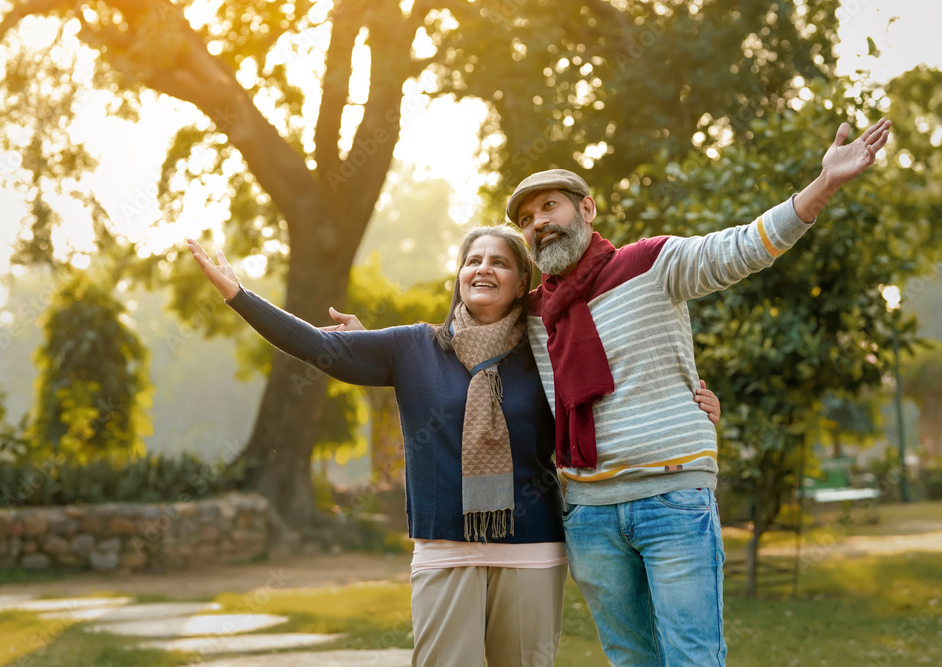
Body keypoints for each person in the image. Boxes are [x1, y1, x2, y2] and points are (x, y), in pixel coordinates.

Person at [500, 118, 892, 666]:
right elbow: (462, 336)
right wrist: (360, 343)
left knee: (693, 658)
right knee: (630, 659)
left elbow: (744, 247)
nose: (538, 223)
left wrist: (822, 185)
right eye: (526, 219)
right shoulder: (535, 315)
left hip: (672, 498)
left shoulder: (652, 264)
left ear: (586, 209)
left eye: (550, 208)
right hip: (588, 514)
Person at [188, 226, 569, 666]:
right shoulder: (413, 347)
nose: (483, 269)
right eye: (473, 260)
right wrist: (239, 295)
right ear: (460, 275)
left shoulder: (546, 352)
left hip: (533, 544)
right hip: (444, 546)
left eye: (499, 262)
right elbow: (317, 345)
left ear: (523, 283)